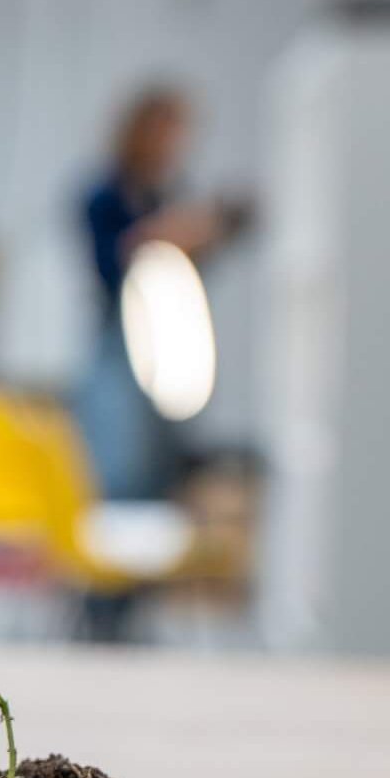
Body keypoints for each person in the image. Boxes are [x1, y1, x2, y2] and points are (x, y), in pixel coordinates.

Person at [70, 84, 242, 502]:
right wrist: (158, 238)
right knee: (122, 462)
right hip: (122, 339)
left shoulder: (170, 194)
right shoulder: (105, 196)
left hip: (172, 337)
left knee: (165, 455)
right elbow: (110, 265)